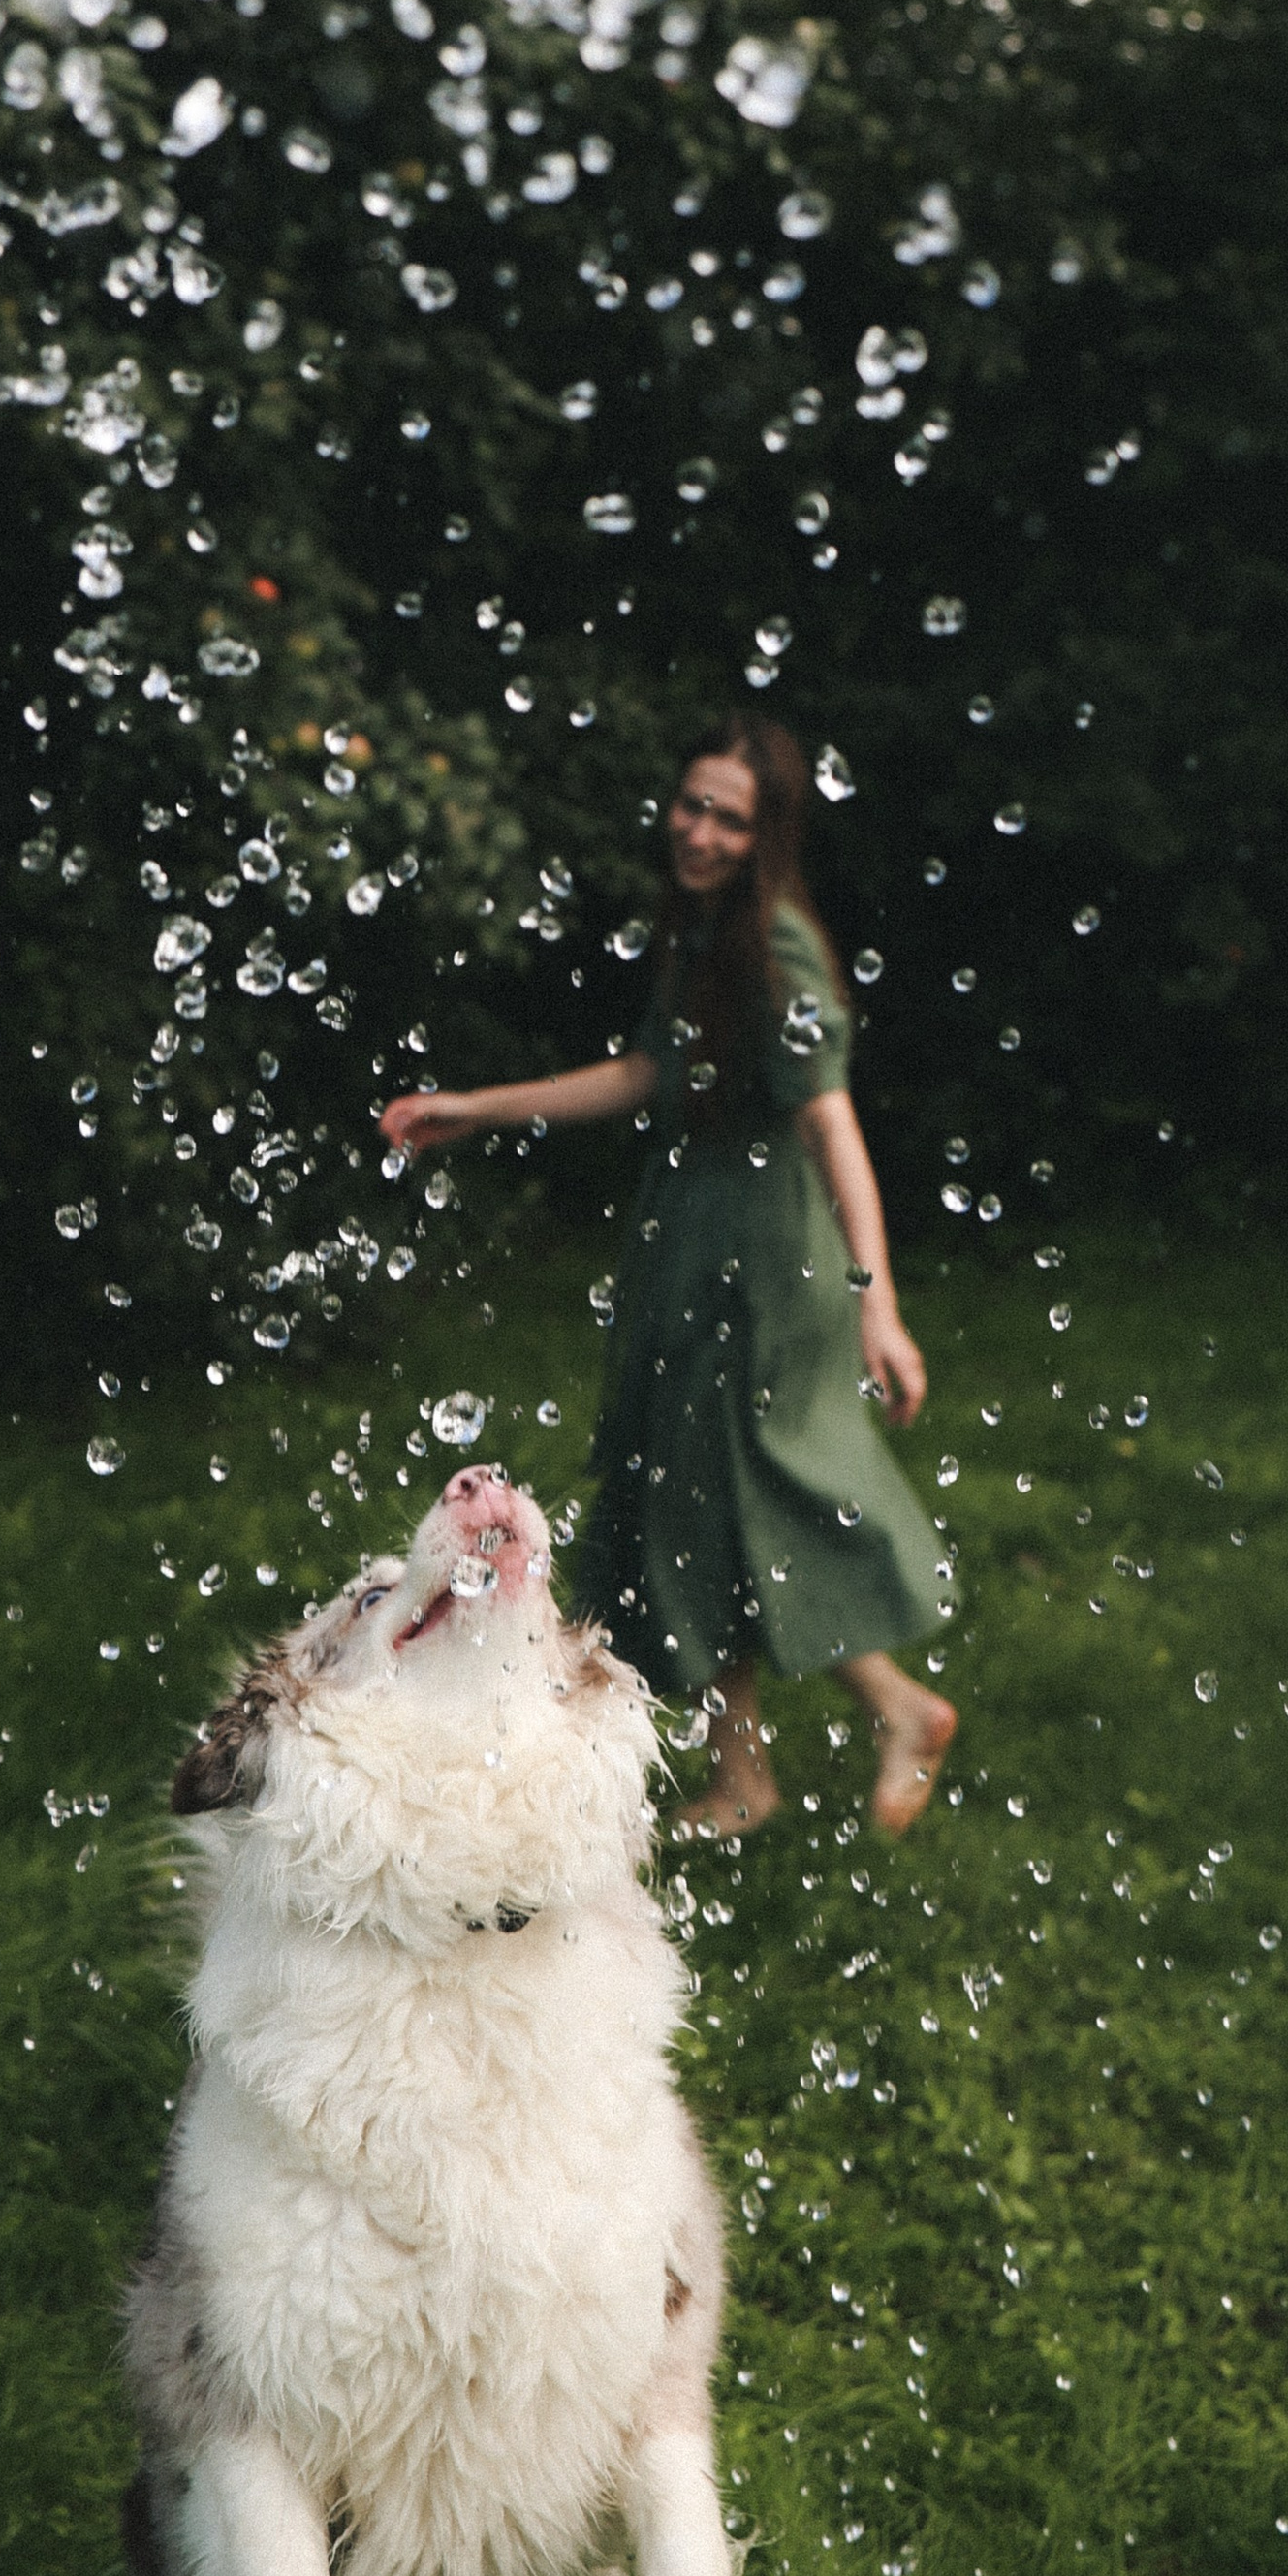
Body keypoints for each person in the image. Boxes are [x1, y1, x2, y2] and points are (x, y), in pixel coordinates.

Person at [378, 712, 957, 1840]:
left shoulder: (778, 948)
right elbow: (647, 1071)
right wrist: (478, 1110)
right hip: (694, 1240)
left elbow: (832, 1124)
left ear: (766, 837)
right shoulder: (704, 933)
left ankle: (866, 1722)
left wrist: (876, 1302)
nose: (697, 832)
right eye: (691, 806)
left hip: (763, 1263)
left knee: (727, 1502)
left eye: (728, 820)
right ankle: (767, 1762)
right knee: (682, 1502)